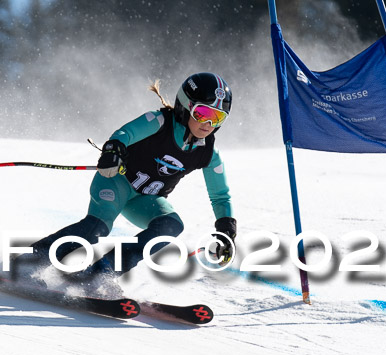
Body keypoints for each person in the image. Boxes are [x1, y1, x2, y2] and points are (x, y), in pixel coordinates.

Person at [15, 72, 238, 293]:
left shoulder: (208, 154)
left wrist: (226, 230)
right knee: (97, 227)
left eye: (218, 118)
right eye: (202, 113)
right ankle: (27, 263)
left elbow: (220, 196)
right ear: (185, 106)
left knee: (172, 225)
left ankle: (101, 273)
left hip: (146, 199)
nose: (208, 123)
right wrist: (114, 151)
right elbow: (124, 134)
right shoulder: (159, 122)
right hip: (116, 181)